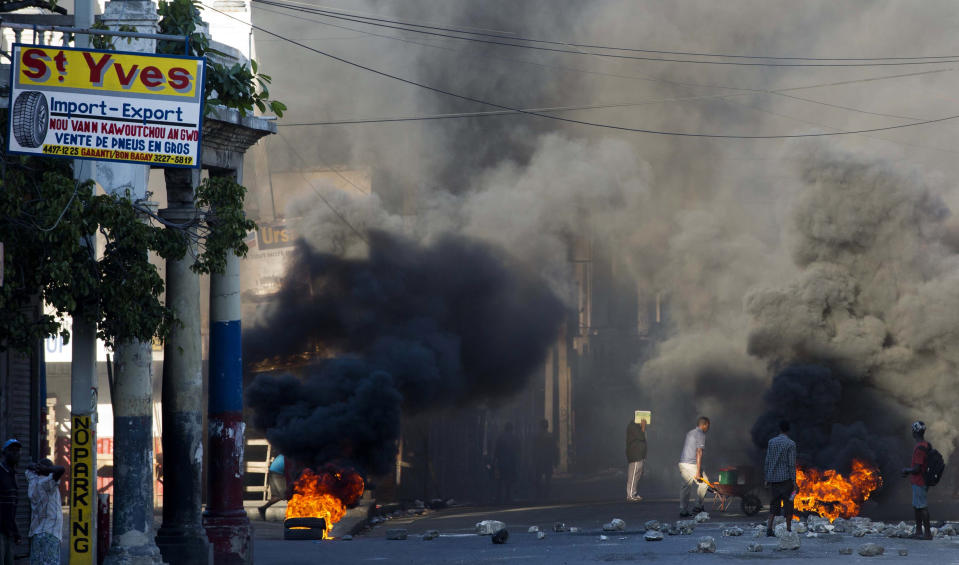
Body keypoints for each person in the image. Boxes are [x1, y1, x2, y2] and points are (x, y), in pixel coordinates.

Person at [25, 458, 65, 565]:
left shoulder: (32, 480)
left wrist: (36, 467)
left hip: (36, 532)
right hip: (50, 532)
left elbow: (28, 466)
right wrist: (48, 469)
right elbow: (61, 469)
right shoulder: (48, 482)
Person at [764, 420, 797, 537]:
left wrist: (767, 477)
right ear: (788, 430)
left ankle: (769, 528)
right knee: (789, 504)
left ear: (780, 429)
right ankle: (788, 529)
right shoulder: (791, 444)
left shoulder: (771, 442)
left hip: (773, 480)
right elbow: (791, 464)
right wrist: (794, 481)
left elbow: (767, 461)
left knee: (774, 504)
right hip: (786, 480)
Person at [901, 421, 932, 540]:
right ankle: (919, 531)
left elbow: (917, 468)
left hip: (920, 481)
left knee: (922, 507)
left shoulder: (920, 448)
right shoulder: (926, 445)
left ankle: (927, 533)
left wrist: (906, 470)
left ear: (915, 432)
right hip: (919, 481)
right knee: (917, 506)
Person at [678, 416, 710, 517]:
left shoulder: (690, 432)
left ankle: (683, 510)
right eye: (707, 426)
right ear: (704, 425)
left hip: (683, 463)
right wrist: (698, 471)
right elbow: (699, 452)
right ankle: (698, 506)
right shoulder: (700, 434)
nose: (707, 428)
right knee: (705, 483)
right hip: (691, 464)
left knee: (686, 487)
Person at [0, 439, 22, 565]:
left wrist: (15, 531)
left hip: (7, 531)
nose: (16, 454)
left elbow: (11, 508)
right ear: (4, 453)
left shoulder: (13, 474)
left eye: (18, 451)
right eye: (12, 451)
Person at [532, 420, 558, 501]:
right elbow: (555, 449)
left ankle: (538, 494)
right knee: (548, 479)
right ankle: (546, 495)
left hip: (539, 460)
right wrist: (556, 460)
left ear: (540, 426)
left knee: (538, 478)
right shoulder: (550, 436)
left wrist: (533, 459)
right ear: (547, 426)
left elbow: (533, 450)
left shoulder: (537, 436)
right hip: (548, 460)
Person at [494, 423, 520, 504]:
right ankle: (508, 496)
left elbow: (496, 450)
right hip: (512, 461)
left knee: (500, 479)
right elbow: (518, 450)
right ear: (512, 429)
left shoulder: (500, 437)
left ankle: (499, 496)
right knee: (509, 479)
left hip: (502, 461)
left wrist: (495, 459)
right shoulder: (515, 438)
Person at [625, 416, 647, 502]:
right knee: (633, 475)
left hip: (639, 455)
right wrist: (643, 426)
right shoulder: (633, 426)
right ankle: (630, 495)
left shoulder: (637, 426)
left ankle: (633, 493)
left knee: (637, 475)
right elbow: (641, 437)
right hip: (635, 455)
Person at [258, 453, 287, 520]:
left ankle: (263, 508)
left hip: (273, 471)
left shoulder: (288, 451)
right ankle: (288, 516)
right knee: (286, 494)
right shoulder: (293, 454)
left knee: (276, 496)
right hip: (278, 473)